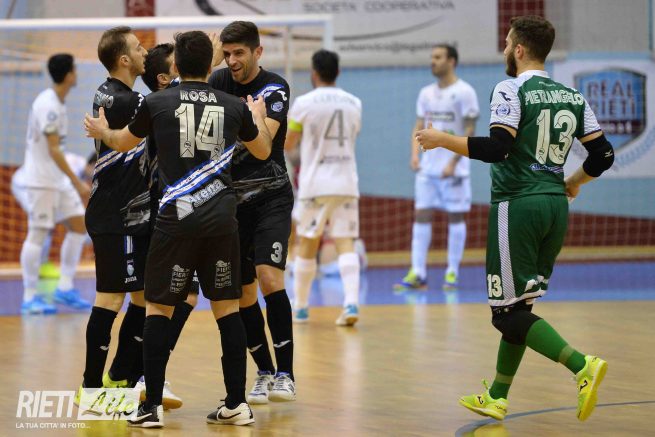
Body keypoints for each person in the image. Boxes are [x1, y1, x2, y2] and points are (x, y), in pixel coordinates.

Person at [414, 15, 613, 421]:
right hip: (554, 205)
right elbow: (603, 154)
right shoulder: (571, 95)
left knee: (505, 313)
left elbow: (498, 148)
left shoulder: (509, 88)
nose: (505, 49)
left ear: (519, 49)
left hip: (517, 204)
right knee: (519, 307)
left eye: (507, 43)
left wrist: (442, 140)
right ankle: (498, 396)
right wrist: (573, 182)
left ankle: (582, 366)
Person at [85, 30, 272, 428]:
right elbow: (263, 151)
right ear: (211, 64)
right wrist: (257, 118)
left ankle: (150, 405)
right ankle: (236, 403)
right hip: (222, 221)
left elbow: (122, 143)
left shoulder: (155, 102)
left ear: (176, 67)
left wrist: (103, 133)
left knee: (158, 308)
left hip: (175, 222)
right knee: (227, 310)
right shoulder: (232, 104)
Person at [208, 21, 296, 404]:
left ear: (258, 52)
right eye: (226, 53)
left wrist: (255, 118)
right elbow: (186, 92)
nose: (232, 61)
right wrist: (212, 62)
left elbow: (264, 144)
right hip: (232, 204)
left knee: (269, 277)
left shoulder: (274, 87)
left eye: (239, 53)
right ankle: (264, 371)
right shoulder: (218, 80)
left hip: (271, 197)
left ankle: (286, 373)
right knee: (243, 293)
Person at [76, 26, 151, 403]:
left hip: (124, 211)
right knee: (110, 298)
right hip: (117, 215)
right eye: (138, 48)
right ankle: (90, 387)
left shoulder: (107, 91)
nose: (144, 52)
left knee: (141, 296)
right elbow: (164, 107)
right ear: (124, 60)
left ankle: (123, 375)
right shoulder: (131, 102)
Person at [285, 49, 363, 326]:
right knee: (345, 242)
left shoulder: (304, 103)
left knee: (307, 242)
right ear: (338, 72)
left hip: (315, 183)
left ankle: (301, 307)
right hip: (346, 181)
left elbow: (289, 144)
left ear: (314, 72)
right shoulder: (354, 103)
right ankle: (351, 303)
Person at [394, 44, 479, 291]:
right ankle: (418, 272)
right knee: (421, 215)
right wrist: (414, 155)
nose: (433, 61)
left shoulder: (465, 92)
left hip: (454, 170)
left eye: (438, 57)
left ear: (451, 61)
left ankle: (452, 272)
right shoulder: (426, 93)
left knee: (455, 216)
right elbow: (418, 125)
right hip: (428, 169)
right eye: (432, 57)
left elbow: (470, 131)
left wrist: (454, 162)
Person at [12, 53, 91, 315]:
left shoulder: (58, 101)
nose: (77, 74)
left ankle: (65, 287)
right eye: (75, 69)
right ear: (68, 75)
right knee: (38, 233)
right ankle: (29, 297)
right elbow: (54, 149)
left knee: (79, 225)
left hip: (57, 180)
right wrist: (77, 183)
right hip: (41, 182)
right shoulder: (48, 104)